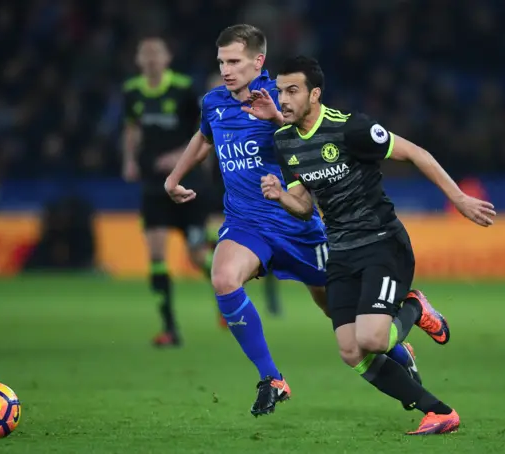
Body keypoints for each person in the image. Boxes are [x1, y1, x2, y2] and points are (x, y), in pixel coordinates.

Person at [165, 25, 421, 417]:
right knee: (222, 278)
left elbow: (313, 132)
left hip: (296, 223)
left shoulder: (283, 97)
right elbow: (204, 139)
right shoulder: (213, 103)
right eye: (221, 62)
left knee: (338, 315)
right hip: (246, 223)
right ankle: (272, 378)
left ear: (258, 61)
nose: (226, 70)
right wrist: (174, 177)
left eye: (234, 61)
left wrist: (276, 121)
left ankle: (399, 353)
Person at [255, 55, 496, 435]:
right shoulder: (285, 142)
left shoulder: (350, 129)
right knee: (351, 351)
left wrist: (460, 199)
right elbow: (304, 207)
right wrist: (280, 197)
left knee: (372, 339)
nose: (282, 98)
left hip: (382, 243)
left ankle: (414, 307)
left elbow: (417, 154)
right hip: (341, 251)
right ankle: (439, 411)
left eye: (292, 90)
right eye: (279, 90)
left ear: (314, 94)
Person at [122, 36, 214, 347]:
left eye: (155, 53)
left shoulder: (184, 88)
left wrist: (180, 157)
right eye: (144, 53)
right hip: (153, 185)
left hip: (188, 182)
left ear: (167, 57)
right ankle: (170, 328)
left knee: (198, 256)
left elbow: (204, 128)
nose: (150, 58)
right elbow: (132, 127)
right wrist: (130, 160)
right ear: (138, 59)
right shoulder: (132, 91)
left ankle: (226, 295)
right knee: (157, 256)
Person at [203, 71, 283, 320]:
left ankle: (265, 296)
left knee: (266, 246)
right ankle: (227, 296)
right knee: (214, 245)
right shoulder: (213, 118)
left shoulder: (251, 116)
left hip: (250, 188)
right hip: (219, 188)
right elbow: (204, 146)